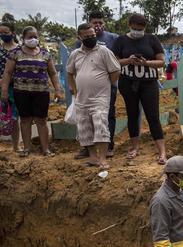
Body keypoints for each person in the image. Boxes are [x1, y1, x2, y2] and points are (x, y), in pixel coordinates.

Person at [1, 26, 64, 157]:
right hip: (21, 92)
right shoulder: (15, 53)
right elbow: (7, 73)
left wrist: (58, 89)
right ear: (23, 38)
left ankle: (45, 149)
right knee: (25, 120)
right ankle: (27, 148)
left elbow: (52, 73)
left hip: (41, 92)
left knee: (41, 120)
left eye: (35, 36)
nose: (33, 39)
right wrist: (4, 90)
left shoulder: (45, 54)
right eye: (30, 37)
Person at [112, 13, 167, 164]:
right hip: (128, 83)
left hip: (149, 83)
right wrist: (128, 60)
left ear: (145, 28)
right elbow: (114, 62)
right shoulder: (120, 41)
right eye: (135, 28)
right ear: (129, 25)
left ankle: (162, 152)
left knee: (153, 116)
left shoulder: (152, 39)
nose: (137, 31)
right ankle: (135, 147)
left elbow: (161, 62)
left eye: (141, 29)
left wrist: (146, 63)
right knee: (132, 114)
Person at [67, 23, 120, 170]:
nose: (91, 38)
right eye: (87, 36)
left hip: (100, 97)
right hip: (82, 98)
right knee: (85, 128)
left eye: (92, 35)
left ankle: (102, 159)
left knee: (101, 125)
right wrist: (74, 90)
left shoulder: (104, 51)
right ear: (80, 37)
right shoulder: (75, 54)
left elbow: (116, 71)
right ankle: (93, 157)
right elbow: (69, 73)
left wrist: (106, 84)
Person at [0, 22, 20, 152]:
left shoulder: (20, 49)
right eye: (0, 33)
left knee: (14, 117)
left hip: (17, 87)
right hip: (1, 86)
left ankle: (16, 146)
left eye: (5, 32)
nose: (3, 35)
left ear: (12, 33)